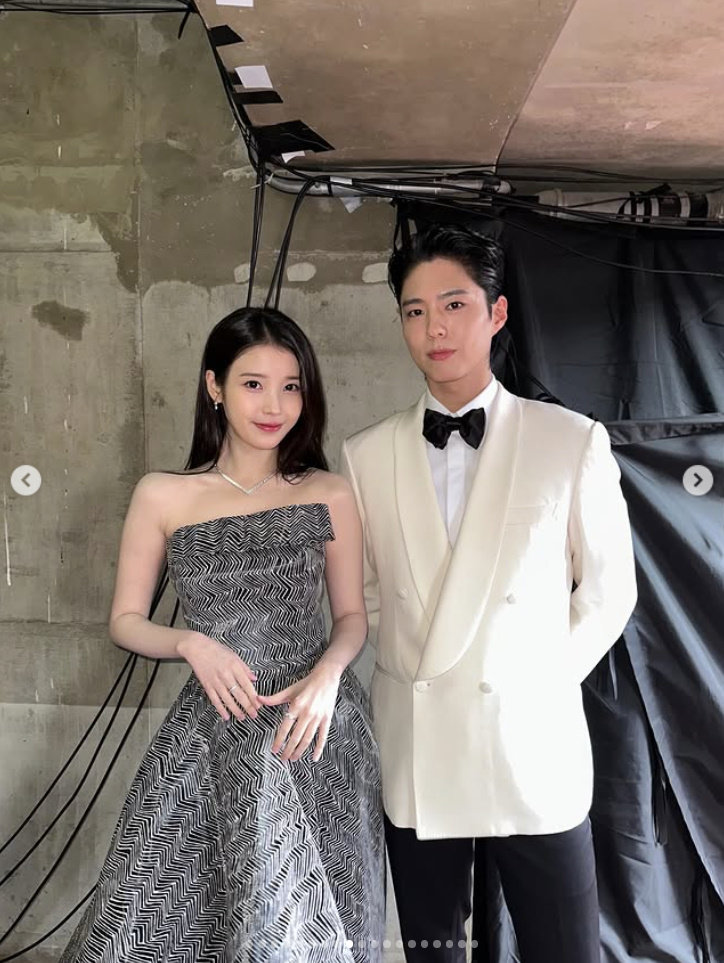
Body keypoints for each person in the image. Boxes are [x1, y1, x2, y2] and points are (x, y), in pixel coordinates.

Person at [340, 223, 638, 963]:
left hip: (530, 742)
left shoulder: (569, 440)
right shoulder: (366, 454)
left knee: (562, 948)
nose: (434, 328)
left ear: (496, 313)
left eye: (454, 305)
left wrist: (536, 681)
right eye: (414, 311)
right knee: (433, 949)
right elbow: (370, 595)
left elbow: (609, 591)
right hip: (420, 747)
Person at [60, 306, 385, 963]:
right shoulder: (162, 494)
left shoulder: (330, 492)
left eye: (291, 386)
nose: (274, 405)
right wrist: (191, 642)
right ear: (215, 386)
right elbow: (125, 621)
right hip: (213, 724)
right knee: (159, 918)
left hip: (312, 727)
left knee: (309, 928)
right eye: (253, 384)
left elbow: (352, 616)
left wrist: (326, 677)